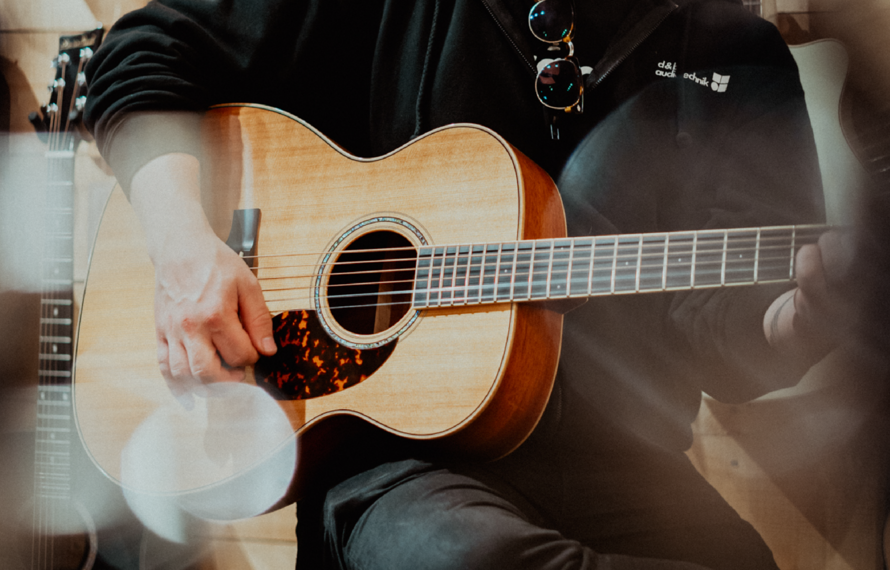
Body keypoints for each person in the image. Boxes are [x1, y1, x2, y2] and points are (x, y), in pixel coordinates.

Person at [83, 0, 851, 568]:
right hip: (399, 468)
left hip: (629, 469)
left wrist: (789, 325)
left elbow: (722, 338)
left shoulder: (736, 53)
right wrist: (185, 246)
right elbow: (143, 52)